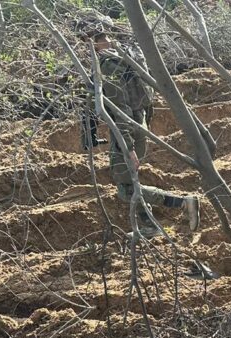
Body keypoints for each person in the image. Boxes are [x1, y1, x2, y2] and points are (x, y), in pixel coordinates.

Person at [83, 26, 200, 238]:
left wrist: (127, 147)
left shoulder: (108, 66)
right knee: (129, 180)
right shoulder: (126, 53)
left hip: (128, 127)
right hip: (140, 121)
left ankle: (182, 202)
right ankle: (150, 225)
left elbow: (121, 110)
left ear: (92, 41)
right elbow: (147, 95)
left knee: (126, 188)